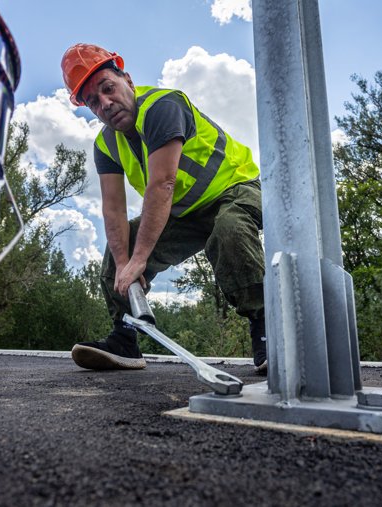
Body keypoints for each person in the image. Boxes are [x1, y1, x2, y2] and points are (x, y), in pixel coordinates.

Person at [61, 43, 267, 374]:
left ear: (127, 79)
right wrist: (127, 263)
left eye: (108, 88)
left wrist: (141, 260)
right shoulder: (105, 145)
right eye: (93, 102)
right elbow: (113, 210)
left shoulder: (162, 106)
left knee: (229, 230)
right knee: (120, 250)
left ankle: (266, 325)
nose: (106, 104)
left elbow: (163, 184)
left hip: (236, 190)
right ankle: (125, 335)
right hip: (185, 213)